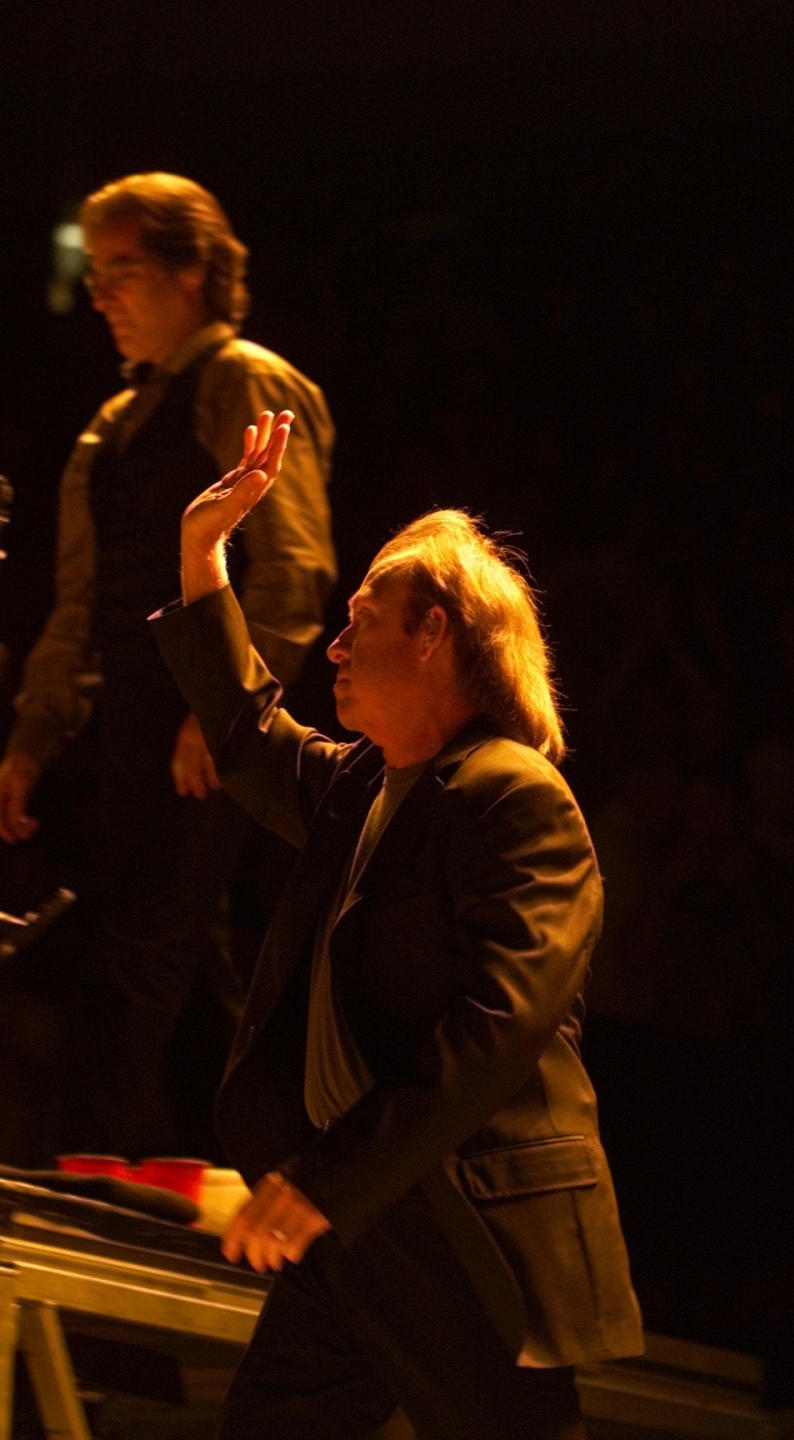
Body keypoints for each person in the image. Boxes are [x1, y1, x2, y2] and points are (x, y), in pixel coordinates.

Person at [150, 411, 644, 1440]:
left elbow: (494, 1032)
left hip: (463, 1235)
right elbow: (246, 735)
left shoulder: (516, 798)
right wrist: (205, 556)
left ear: (435, 632)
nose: (333, 642)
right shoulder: (364, 787)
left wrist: (327, 1181)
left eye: (361, 619)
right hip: (356, 1220)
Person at [0, 174, 335, 1160]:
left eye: (123, 272)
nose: (100, 294)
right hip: (134, 731)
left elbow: (293, 567)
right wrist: (32, 737)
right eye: (93, 274)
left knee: (136, 959)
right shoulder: (111, 424)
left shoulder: (243, 378)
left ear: (194, 272)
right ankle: (245, 1180)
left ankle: (81, 1177)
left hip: (202, 726)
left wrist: (223, 708)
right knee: (186, 968)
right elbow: (80, 606)